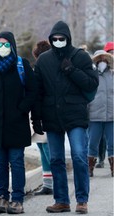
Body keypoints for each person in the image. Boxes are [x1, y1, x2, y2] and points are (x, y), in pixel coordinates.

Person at [33, 20, 99, 214]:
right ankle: (61, 200)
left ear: (68, 38)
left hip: (75, 114)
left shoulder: (80, 57)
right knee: (56, 159)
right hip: (51, 115)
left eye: (62, 38)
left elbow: (91, 84)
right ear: (51, 39)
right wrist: (36, 118)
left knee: (79, 156)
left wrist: (72, 70)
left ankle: (81, 200)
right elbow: (38, 91)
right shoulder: (44, 60)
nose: (59, 41)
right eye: (55, 39)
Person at [0, 31, 38, 214]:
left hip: (17, 123)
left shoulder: (22, 65)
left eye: (6, 44)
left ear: (12, 46)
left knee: (16, 161)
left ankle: (17, 199)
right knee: (0, 163)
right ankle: (2, 196)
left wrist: (21, 109)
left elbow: (33, 91)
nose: (2, 48)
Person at [31, 40, 53, 196]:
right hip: (39, 115)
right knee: (42, 148)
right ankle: (48, 183)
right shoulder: (38, 70)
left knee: (48, 150)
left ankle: (54, 183)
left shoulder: (46, 71)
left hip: (46, 115)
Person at [87, 49, 113, 177]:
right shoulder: (91, 75)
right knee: (92, 142)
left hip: (111, 115)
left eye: (104, 59)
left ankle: (113, 167)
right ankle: (89, 167)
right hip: (94, 115)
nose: (102, 62)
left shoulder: (112, 75)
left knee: (112, 143)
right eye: (99, 59)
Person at [95, 41, 114, 169]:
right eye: (111, 52)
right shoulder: (97, 71)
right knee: (100, 137)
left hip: (112, 108)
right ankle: (100, 158)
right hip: (98, 109)